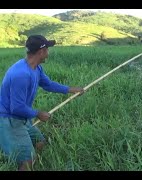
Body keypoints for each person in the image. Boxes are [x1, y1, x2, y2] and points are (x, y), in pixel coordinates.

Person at [0, 35, 84, 171]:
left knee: (40, 141)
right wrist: (38, 114)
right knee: (28, 160)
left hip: (22, 118)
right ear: (41, 52)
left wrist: (71, 90)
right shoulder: (20, 74)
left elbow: (48, 84)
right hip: (9, 119)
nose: (48, 53)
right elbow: (16, 108)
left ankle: (30, 157)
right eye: (47, 49)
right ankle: (27, 160)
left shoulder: (36, 68)